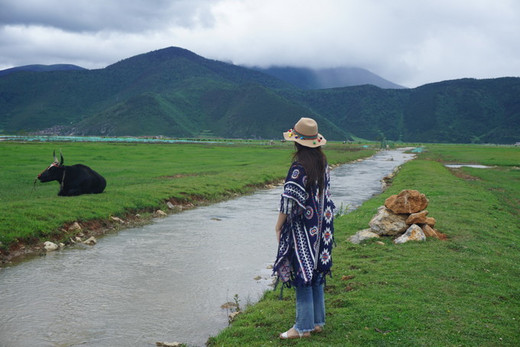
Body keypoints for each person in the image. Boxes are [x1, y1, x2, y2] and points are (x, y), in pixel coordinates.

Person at [273, 117, 335, 339]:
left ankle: (302, 328)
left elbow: (289, 201)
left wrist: (279, 225)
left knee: (302, 273)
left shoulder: (299, 167)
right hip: (322, 229)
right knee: (316, 272)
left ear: (297, 143)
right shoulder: (322, 163)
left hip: (303, 229)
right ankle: (317, 322)